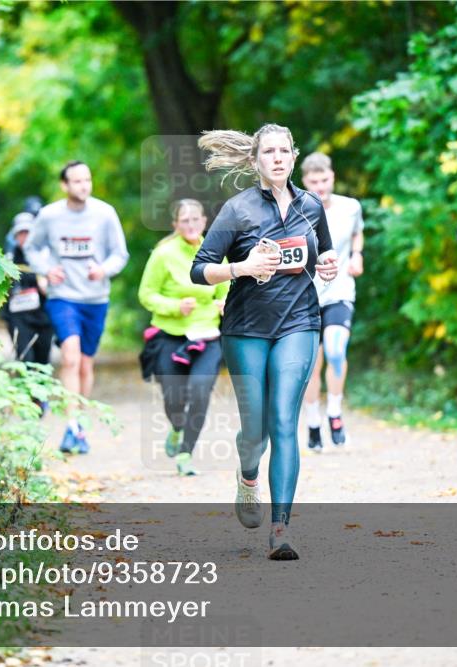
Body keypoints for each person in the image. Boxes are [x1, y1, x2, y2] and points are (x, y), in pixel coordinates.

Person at [191, 124, 338, 560]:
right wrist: (243, 267)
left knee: (283, 422)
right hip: (245, 328)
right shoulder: (237, 211)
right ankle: (248, 475)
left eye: (283, 151)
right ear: (255, 161)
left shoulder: (311, 206)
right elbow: (199, 270)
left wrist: (328, 266)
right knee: (254, 429)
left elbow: (323, 255)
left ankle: (281, 529)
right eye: (268, 152)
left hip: (299, 323)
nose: (277, 158)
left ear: (294, 156)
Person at [25, 161, 129, 455]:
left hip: (95, 298)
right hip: (63, 296)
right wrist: (46, 269)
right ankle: (70, 425)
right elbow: (32, 248)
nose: (84, 185)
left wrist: (104, 269)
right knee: (69, 357)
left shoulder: (105, 213)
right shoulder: (49, 215)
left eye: (87, 180)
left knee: (85, 364)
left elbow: (120, 254)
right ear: (65, 185)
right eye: (77, 181)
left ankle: (80, 424)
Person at [138, 199, 228, 477]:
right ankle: (177, 428)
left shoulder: (214, 251)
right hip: (170, 335)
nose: (190, 225)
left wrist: (225, 302)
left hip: (207, 335)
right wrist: (175, 307)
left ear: (204, 222)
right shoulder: (163, 254)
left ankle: (186, 452)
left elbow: (225, 287)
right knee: (173, 398)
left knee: (200, 392)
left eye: (195, 220)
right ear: (175, 225)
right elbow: (146, 294)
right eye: (184, 221)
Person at [299, 152, 364, 450]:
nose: (320, 187)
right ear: (303, 182)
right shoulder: (296, 210)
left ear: (332, 177)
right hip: (305, 295)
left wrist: (356, 255)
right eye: (314, 182)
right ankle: (313, 424)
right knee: (313, 364)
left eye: (324, 180)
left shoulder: (351, 207)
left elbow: (357, 233)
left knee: (336, 351)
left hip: (339, 291)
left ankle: (335, 415)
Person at [2, 212, 54, 367]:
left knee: (43, 361)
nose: (24, 237)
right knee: (25, 358)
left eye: (28, 232)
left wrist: (46, 283)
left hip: (44, 317)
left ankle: (41, 390)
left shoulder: (46, 257)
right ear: (15, 236)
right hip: (18, 317)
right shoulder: (7, 259)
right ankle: (26, 390)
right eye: (20, 233)